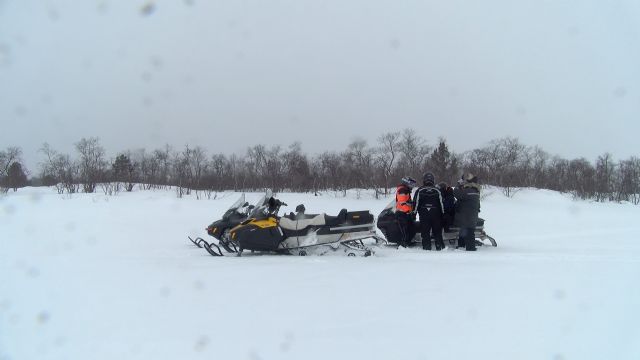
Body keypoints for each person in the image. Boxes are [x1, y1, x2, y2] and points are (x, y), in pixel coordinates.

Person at [413, 172, 445, 250]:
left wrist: (414, 212)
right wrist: (443, 213)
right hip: (436, 214)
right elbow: (442, 203)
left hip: (424, 214)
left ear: (424, 180)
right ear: (433, 180)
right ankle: (439, 246)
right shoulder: (437, 190)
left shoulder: (420, 190)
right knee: (437, 231)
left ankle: (427, 248)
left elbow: (415, 203)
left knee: (425, 232)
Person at [453, 173, 481, 251]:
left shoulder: (468, 191)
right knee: (465, 230)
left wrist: (458, 184)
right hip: (472, 215)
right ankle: (462, 245)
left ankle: (470, 249)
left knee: (469, 231)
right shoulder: (476, 191)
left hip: (467, 215)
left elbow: (456, 193)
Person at [395, 176, 417, 247]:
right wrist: (408, 211)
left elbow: (408, 202)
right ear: (407, 183)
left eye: (413, 185)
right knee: (404, 230)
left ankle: (408, 241)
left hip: (406, 213)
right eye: (411, 184)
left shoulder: (406, 190)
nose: (412, 186)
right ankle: (403, 245)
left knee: (411, 228)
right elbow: (402, 202)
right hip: (402, 213)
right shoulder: (402, 190)